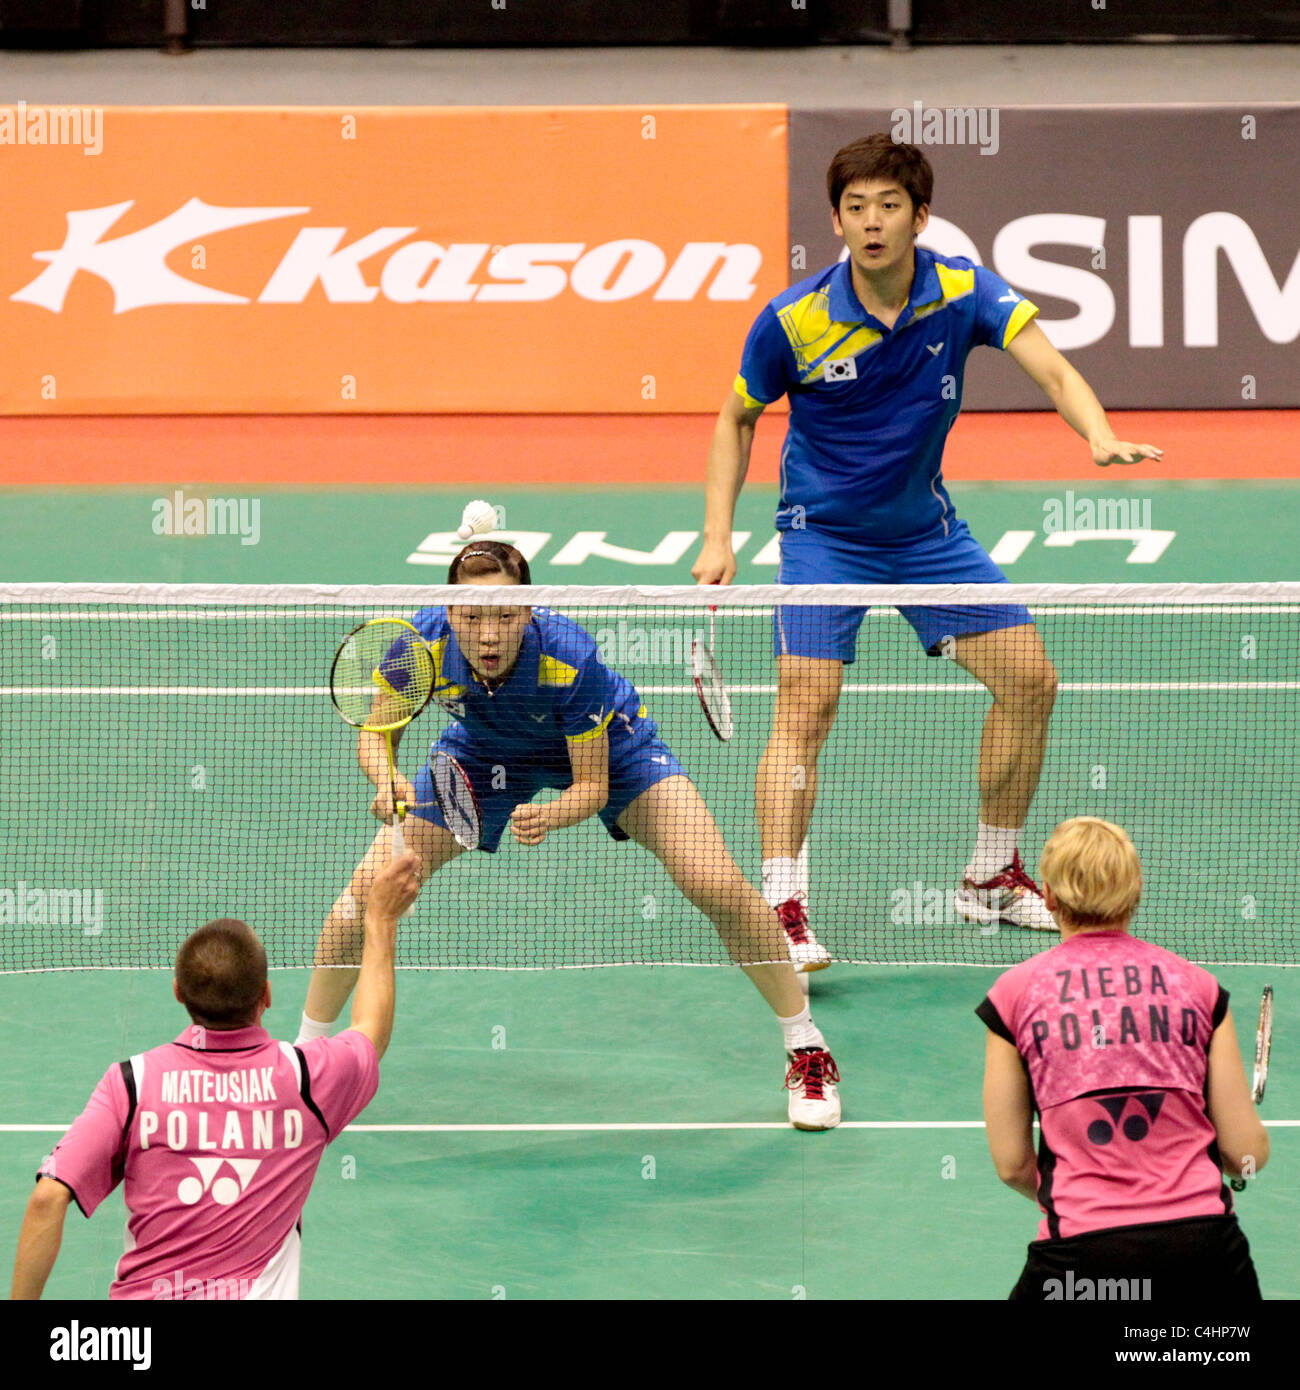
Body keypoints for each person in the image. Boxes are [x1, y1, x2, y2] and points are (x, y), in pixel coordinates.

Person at [691, 132, 1164, 948]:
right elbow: (737, 418)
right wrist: (717, 536)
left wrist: (1097, 433)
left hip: (924, 532)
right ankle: (782, 906)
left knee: (1031, 681)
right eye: (855, 207)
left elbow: (1049, 366)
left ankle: (989, 873)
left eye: (889, 206)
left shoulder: (961, 291)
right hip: (823, 537)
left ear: (921, 216)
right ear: (835, 221)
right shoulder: (793, 320)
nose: (872, 222)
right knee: (808, 707)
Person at [298, 540, 841, 1129]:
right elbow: (377, 736)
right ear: (449, 611)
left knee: (716, 884)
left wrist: (556, 814)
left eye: (505, 615)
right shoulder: (417, 645)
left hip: (615, 753)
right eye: (471, 616)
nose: (486, 635)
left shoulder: (569, 657)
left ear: (529, 610)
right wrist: (386, 778)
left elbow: (592, 786)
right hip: (480, 757)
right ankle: (304, 1066)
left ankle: (807, 1047)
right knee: (363, 893)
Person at [10, 853, 422, 1300]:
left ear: (177, 993)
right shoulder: (306, 1081)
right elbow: (370, 1032)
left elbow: (47, 1200)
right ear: (266, 994)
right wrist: (380, 920)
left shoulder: (131, 1083)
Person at [978, 817, 1267, 1301]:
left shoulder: (1014, 995)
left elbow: (1011, 1163)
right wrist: (1243, 1165)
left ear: (1046, 894)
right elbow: (1243, 1153)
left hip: (1082, 1261)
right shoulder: (1198, 987)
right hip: (1206, 1252)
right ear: (1136, 889)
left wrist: (1085, 1197)